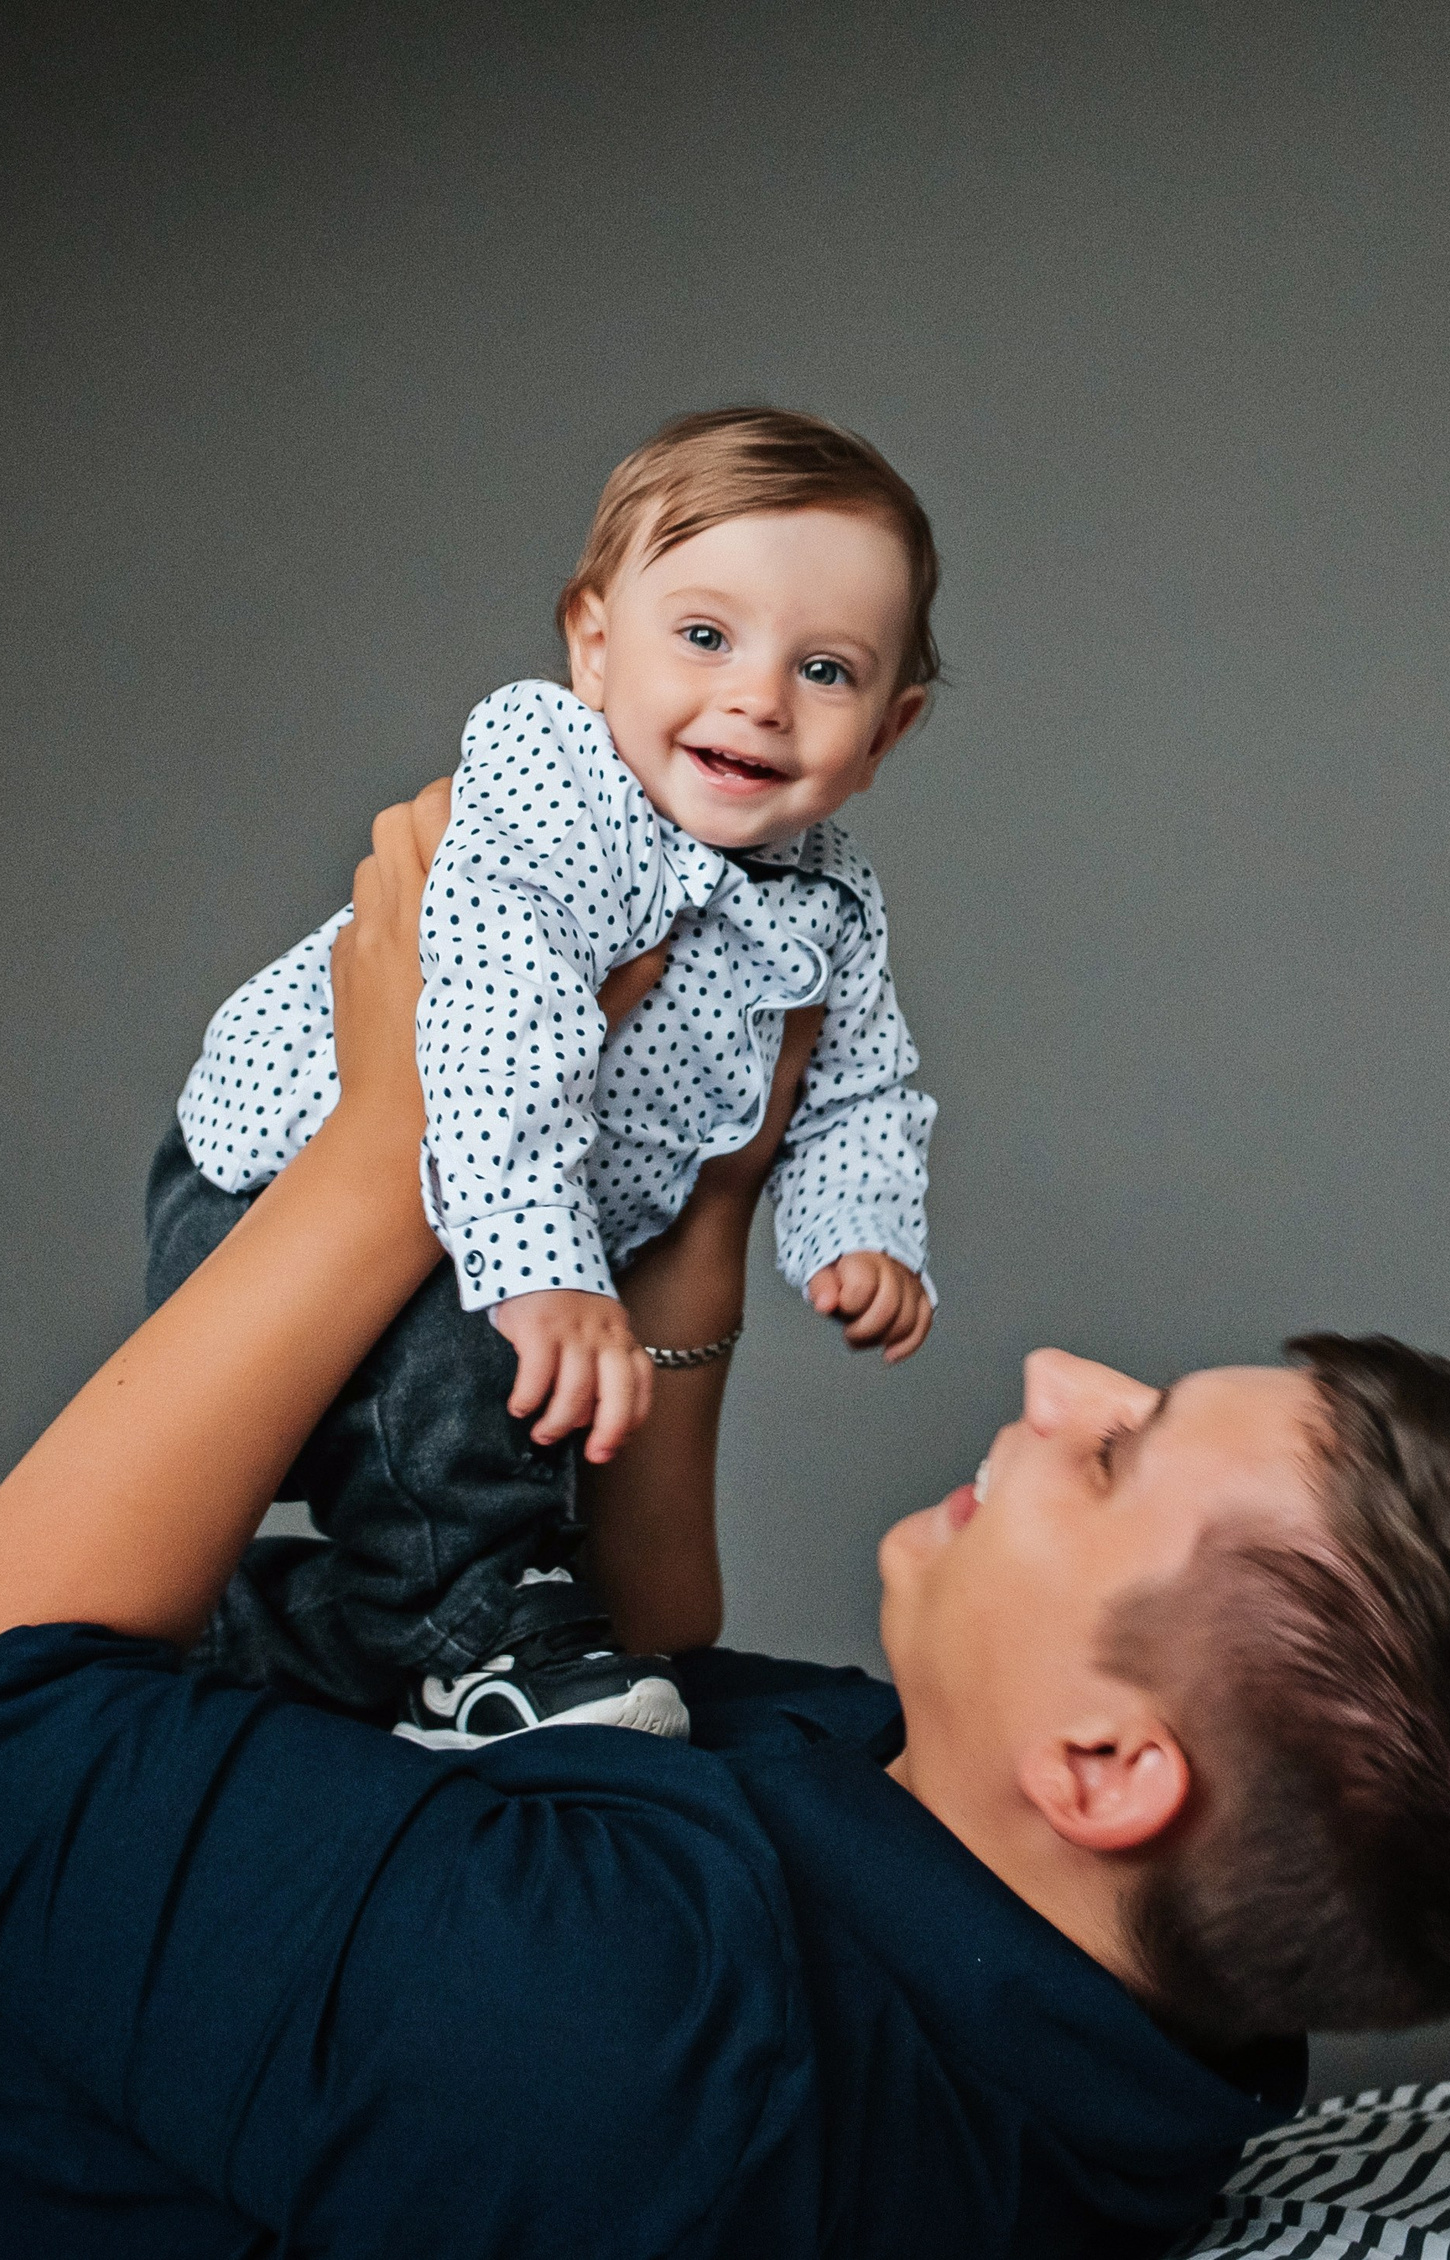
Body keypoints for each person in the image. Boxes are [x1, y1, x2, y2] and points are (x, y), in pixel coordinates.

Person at [0, 790, 1450, 2259]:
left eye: (1119, 1450)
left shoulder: (633, 2047)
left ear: (1104, 1764)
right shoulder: (1090, 1983)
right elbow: (610, 1680)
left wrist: (386, 1150)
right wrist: (697, 1258)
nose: (1059, 1376)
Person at [158, 405, 944, 1746]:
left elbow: (864, 1090)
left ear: (886, 732)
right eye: (704, 636)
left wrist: (856, 1230)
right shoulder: (551, 782)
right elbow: (497, 1028)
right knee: (479, 1398)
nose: (756, 697)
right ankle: (484, 1646)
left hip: (526, 1242)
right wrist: (546, 1266)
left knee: (533, 1477)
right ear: (593, 643)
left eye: (825, 670)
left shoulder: (831, 908)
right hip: (292, 1193)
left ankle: (318, 1631)